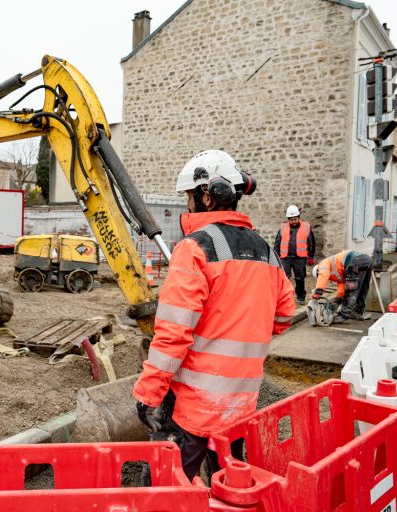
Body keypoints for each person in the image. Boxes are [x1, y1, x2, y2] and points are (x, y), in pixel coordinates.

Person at [133, 150, 295, 481]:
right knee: (229, 489)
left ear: (208, 195)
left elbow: (173, 336)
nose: (188, 205)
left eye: (190, 196)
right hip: (240, 407)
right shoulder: (266, 252)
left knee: (165, 492)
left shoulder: (194, 249)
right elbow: (284, 317)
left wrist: (148, 394)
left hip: (193, 410)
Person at [311, 250, 372, 321]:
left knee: (351, 291)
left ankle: (344, 315)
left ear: (318, 271)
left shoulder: (322, 264)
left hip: (356, 261)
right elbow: (342, 286)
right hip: (367, 260)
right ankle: (357, 312)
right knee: (362, 290)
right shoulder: (338, 271)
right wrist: (338, 299)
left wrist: (318, 291)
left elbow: (323, 275)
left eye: (319, 275)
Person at [273, 205, 315, 305]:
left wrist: (311, 257)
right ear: (288, 219)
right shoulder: (283, 228)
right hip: (285, 258)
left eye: (295, 219)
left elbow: (311, 243)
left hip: (300, 259)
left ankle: (300, 296)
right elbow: (277, 243)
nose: (293, 221)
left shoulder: (306, 227)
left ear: (298, 217)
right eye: (291, 220)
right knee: (284, 279)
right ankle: (284, 297)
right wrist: (276, 256)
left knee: (300, 278)